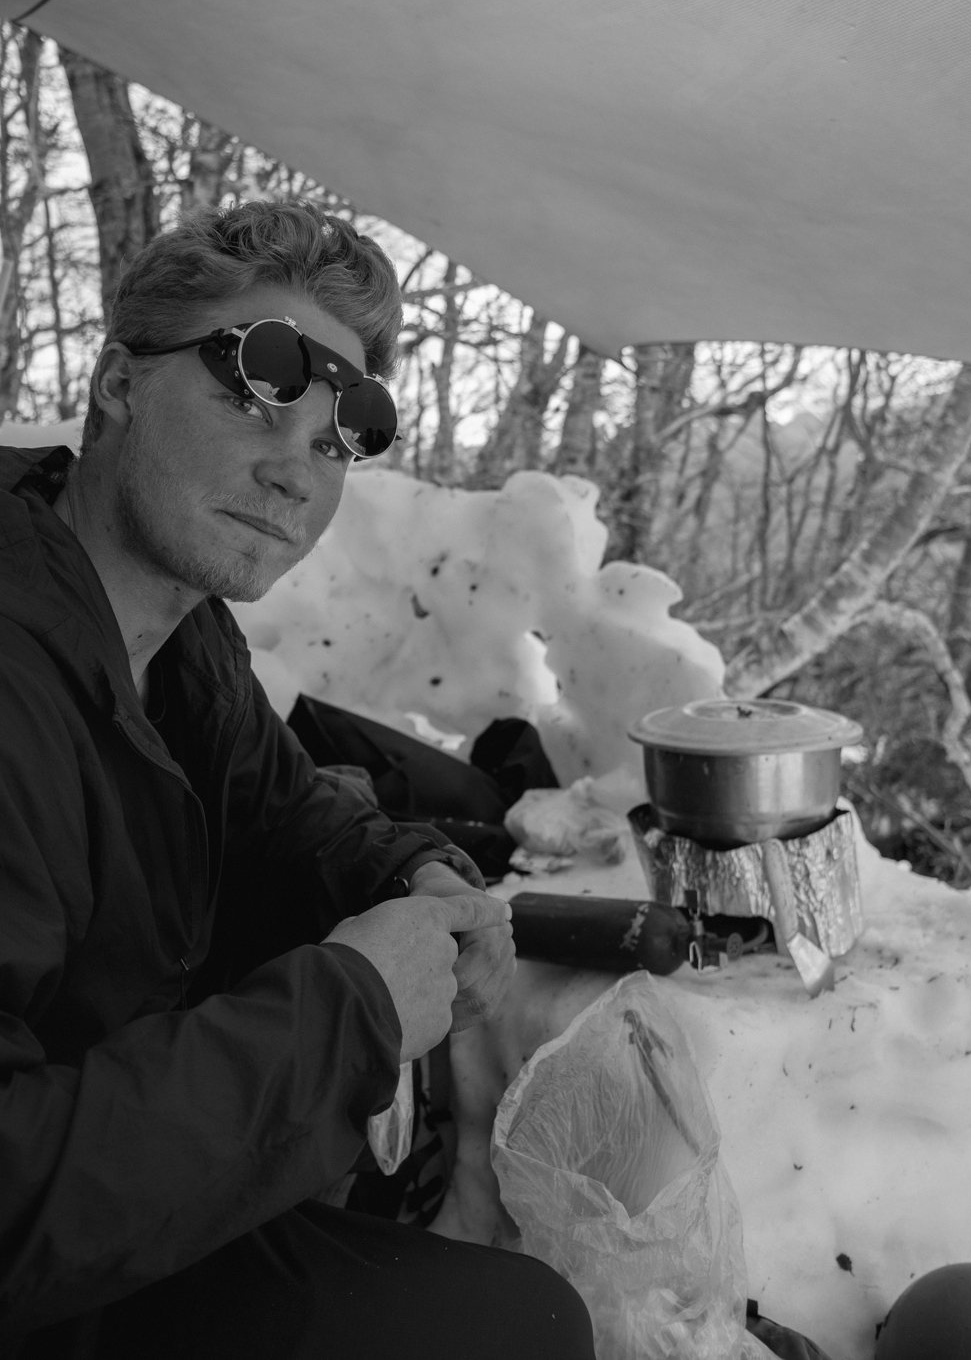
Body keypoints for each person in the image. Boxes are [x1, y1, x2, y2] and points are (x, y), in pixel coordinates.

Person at [0, 200, 595, 1360]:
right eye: (254, 388)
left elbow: (283, 807)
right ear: (120, 384)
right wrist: (350, 1013)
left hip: (133, 1184)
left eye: (338, 439)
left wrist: (412, 866)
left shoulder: (179, 635)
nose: (297, 476)